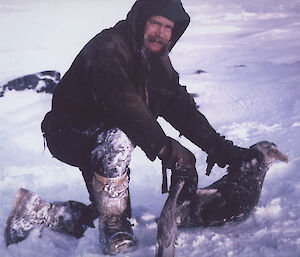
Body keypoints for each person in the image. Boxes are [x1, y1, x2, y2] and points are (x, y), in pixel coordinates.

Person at [5, 0, 257, 255]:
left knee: (104, 210)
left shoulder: (155, 60)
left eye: (168, 27)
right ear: (140, 20)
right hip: (69, 132)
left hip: (103, 134)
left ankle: (38, 212)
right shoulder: (108, 48)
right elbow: (124, 105)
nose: (161, 32)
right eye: (155, 22)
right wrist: (167, 148)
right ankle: (115, 225)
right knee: (120, 140)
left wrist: (222, 149)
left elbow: (180, 107)